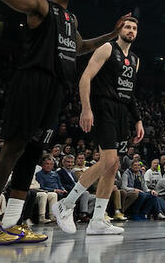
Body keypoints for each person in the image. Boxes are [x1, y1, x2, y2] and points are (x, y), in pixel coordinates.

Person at [0, 0, 122, 247]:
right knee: (13, 148)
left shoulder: (72, 20)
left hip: (56, 90)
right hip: (33, 81)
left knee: (33, 154)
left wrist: (111, 35)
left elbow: (78, 48)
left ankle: (11, 224)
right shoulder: (41, 5)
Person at [55, 17, 145, 234]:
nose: (131, 30)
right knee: (108, 160)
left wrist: (138, 119)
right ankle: (65, 204)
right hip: (103, 107)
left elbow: (130, 94)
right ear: (119, 29)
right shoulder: (107, 48)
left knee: (113, 166)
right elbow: (85, 78)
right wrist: (86, 108)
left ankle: (97, 221)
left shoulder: (135, 60)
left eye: (134, 28)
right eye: (127, 26)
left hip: (122, 113)